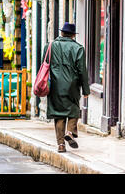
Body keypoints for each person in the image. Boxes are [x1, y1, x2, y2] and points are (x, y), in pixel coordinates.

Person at [41, 22, 90, 153]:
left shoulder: (49, 46)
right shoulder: (79, 48)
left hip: (55, 85)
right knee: (73, 110)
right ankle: (70, 131)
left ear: (61, 33)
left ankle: (61, 144)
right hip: (72, 85)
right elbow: (82, 71)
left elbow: (44, 66)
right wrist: (86, 90)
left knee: (59, 115)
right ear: (73, 35)